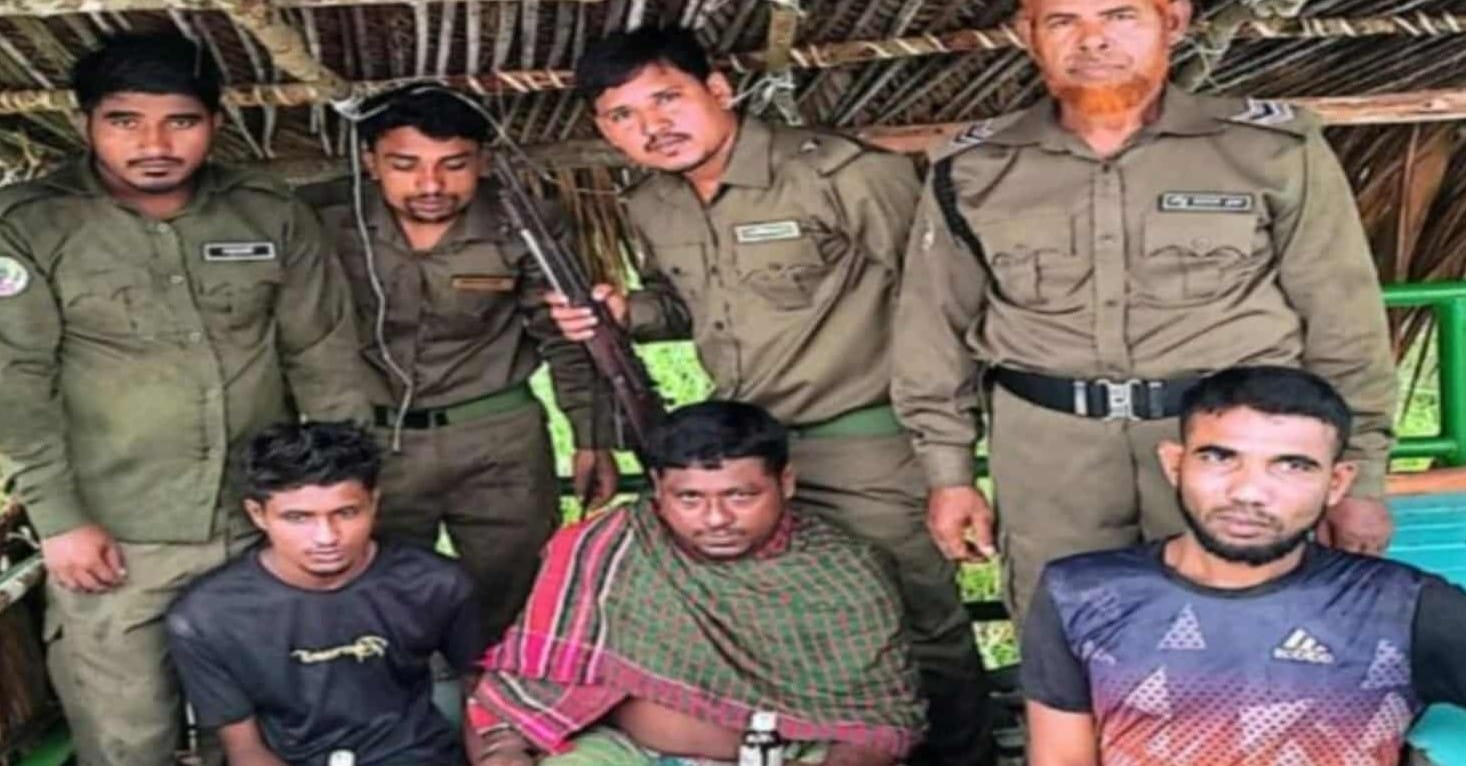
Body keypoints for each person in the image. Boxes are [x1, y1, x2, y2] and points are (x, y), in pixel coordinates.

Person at [549, 27, 991, 765]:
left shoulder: (841, 174)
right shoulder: (653, 203)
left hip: (863, 443)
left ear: (719, 89)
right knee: (782, 621)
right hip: (744, 456)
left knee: (919, 623)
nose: (652, 126)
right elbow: (687, 305)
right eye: (623, 115)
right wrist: (628, 312)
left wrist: (950, 452)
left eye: (667, 98)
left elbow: (944, 299)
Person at [892, 0, 1397, 624]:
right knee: (1065, 632)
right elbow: (933, 330)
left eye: (1121, 16)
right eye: (1063, 21)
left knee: (1248, 629)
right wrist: (950, 475)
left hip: (1233, 449)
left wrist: (1361, 479)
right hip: (1050, 455)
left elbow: (1344, 324)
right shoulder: (973, 166)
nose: (1093, 40)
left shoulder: (1268, 150)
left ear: (1173, 23)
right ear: (1029, 35)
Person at [0, 33, 368, 766]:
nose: (154, 144)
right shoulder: (29, 225)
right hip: (116, 534)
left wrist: (328, 502)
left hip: (260, 522)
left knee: (283, 722)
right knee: (129, 734)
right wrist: (61, 519)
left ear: (214, 123)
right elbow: (14, 379)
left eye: (181, 121)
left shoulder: (268, 213)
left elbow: (324, 360)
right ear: (85, 123)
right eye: (124, 121)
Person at [1021, 366, 1466, 766]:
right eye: (1219, 457)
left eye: (1292, 466)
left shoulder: (1403, 605)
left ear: (1337, 483)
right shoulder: (1080, 595)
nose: (1249, 492)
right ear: (1174, 464)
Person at [301, 86, 617, 639]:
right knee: (372, 605)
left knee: (518, 601)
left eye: (454, 165)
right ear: (371, 163)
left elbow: (566, 334)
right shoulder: (320, 221)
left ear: (483, 161)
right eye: (405, 165)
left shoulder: (526, 223)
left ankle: (502, 695)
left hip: (497, 443)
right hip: (370, 442)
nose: (431, 185)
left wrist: (591, 436)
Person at [465, 401, 924, 766]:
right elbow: (531, 683)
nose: (716, 518)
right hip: (628, 752)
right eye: (689, 498)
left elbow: (881, 720)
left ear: (785, 483)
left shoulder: (843, 571)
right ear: (657, 488)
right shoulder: (611, 546)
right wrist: (504, 751)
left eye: (740, 496)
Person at [166, 421, 485, 766]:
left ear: (373, 503)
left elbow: (482, 693)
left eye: (346, 513)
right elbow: (246, 750)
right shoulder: (206, 616)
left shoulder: (434, 583)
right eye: (298, 518)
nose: (326, 537)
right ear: (258, 514)